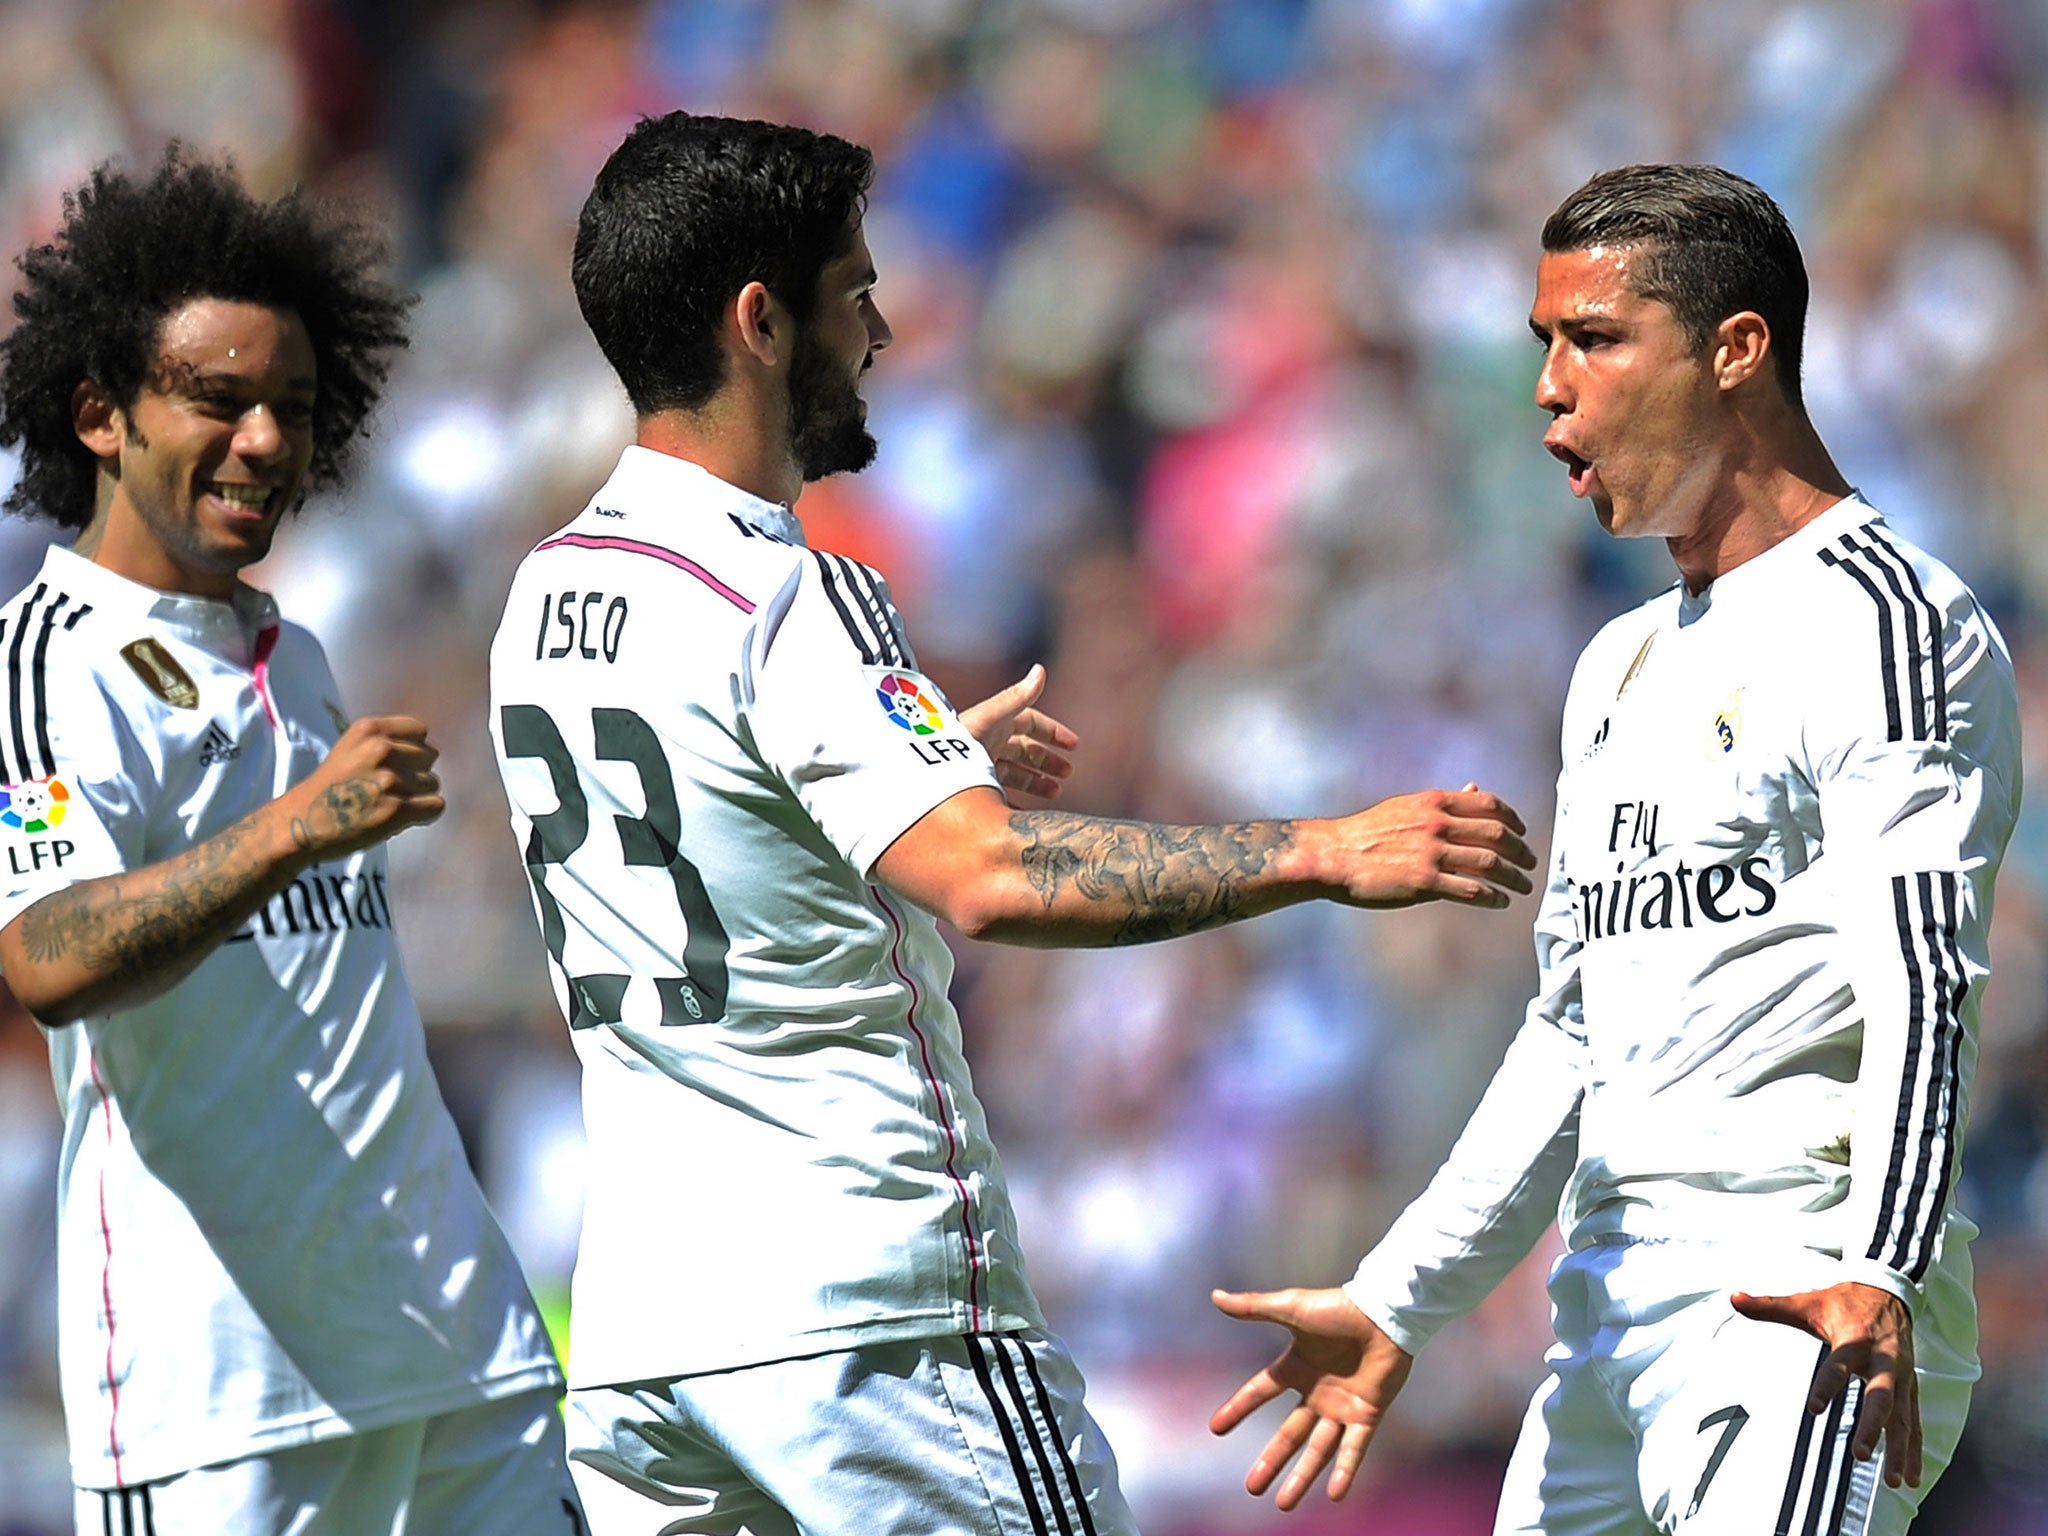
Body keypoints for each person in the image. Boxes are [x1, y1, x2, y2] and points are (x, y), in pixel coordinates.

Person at [485, 110, 1539, 1536]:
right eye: (852, 291)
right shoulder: (792, 592)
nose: (879, 331)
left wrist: (900, 764)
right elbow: (987, 877)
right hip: (864, 1314)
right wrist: (1323, 850)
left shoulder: (545, 599)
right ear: (759, 322)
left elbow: (716, 823)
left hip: (644, 1343)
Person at [1210, 163, 2019, 1536]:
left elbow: (1922, 975)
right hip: (1606, 1314)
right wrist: (1406, 1289)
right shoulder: (1619, 665)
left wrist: (1878, 1264)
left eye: (1591, 339)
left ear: (1736, 352)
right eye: (1544, 345)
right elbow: (1575, 1030)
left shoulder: (1885, 623)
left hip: (1795, 1288)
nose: (1547, 388)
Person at [0, 148, 586, 1534]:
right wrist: (289, 831)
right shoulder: (49, 666)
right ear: (99, 413)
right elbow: (47, 956)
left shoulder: (297, 653)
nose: (266, 440)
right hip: (225, 1400)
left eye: (293, 408)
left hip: (453, 1346)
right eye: (219, 400)